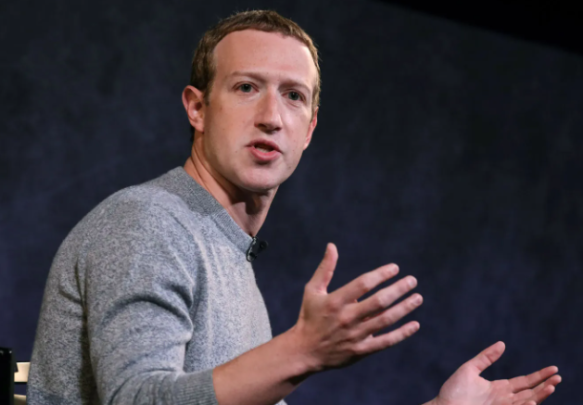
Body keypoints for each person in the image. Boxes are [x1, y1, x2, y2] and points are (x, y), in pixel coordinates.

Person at [28, 10, 561, 405]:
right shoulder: (148, 222)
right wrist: (302, 351)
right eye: (246, 87)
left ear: (308, 130)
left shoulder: (229, 257)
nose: (271, 116)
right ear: (197, 108)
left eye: (293, 96)